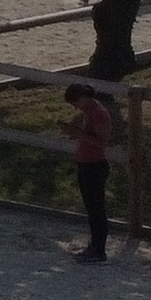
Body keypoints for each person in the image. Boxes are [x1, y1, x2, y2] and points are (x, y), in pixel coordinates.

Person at [66, 83, 115, 262]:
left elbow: (102, 142)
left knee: (96, 209)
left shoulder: (99, 114)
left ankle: (99, 249)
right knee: (91, 208)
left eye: (76, 103)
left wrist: (78, 133)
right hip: (86, 164)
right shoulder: (90, 112)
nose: (76, 107)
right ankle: (94, 245)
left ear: (83, 97)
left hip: (95, 165)